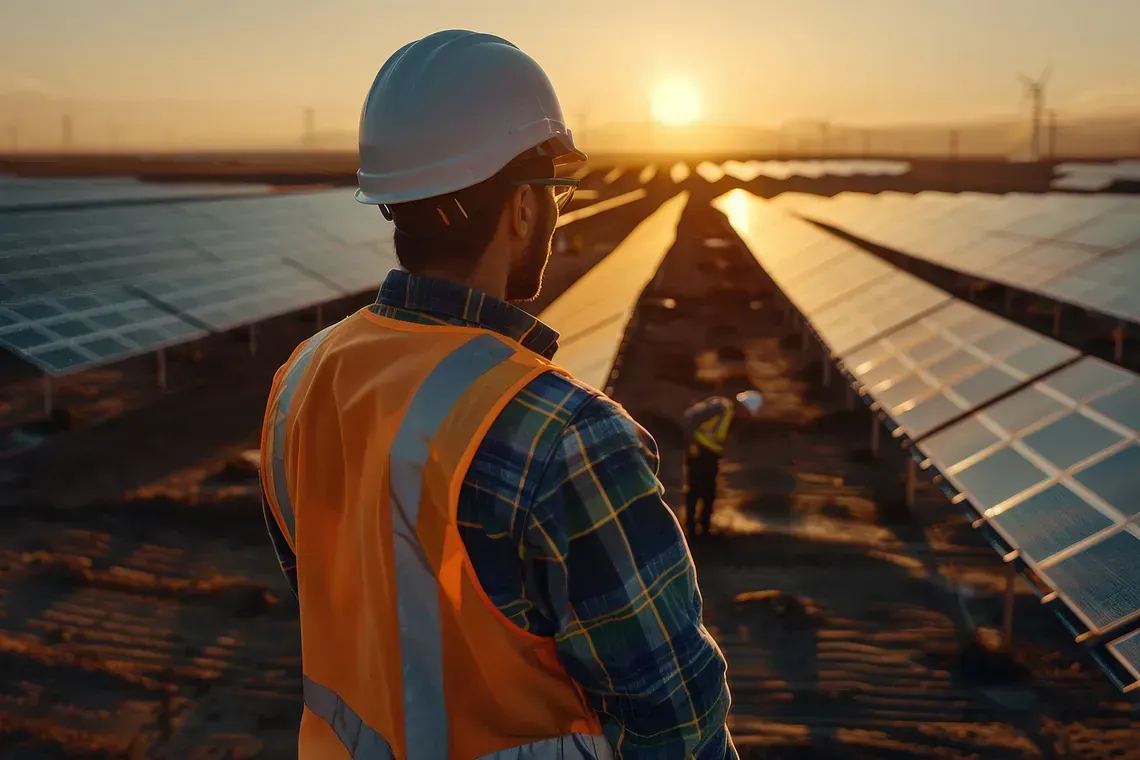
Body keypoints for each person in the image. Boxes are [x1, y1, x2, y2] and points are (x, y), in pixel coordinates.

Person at [259, 30, 736, 760]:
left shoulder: (302, 381)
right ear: (521, 210)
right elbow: (675, 724)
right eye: (554, 193)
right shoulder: (566, 438)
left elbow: (343, 602)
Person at [682, 391, 764, 538]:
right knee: (695, 490)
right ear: (743, 406)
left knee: (709, 492)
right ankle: (691, 529)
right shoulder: (720, 407)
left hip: (710, 456)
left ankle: (705, 528)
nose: (747, 417)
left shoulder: (732, 417)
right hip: (698, 452)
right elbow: (690, 417)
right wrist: (691, 444)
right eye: (748, 412)